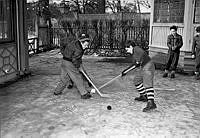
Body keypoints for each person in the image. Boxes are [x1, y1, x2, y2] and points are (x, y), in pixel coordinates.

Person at [53, 33, 92, 99]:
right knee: (77, 77)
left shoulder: (76, 43)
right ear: (81, 42)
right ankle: (84, 94)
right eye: (85, 45)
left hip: (64, 61)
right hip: (70, 63)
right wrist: (78, 67)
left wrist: (79, 64)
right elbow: (75, 60)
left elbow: (76, 57)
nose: (86, 47)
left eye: (87, 45)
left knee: (65, 79)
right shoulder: (79, 49)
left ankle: (57, 91)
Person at [121, 41, 157, 112]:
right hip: (143, 67)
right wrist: (125, 71)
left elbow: (142, 53)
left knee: (148, 84)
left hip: (148, 66)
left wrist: (138, 61)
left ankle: (151, 103)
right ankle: (144, 96)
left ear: (131, 46)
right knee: (136, 80)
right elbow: (134, 64)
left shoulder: (136, 48)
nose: (127, 51)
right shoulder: (134, 54)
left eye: (127, 49)